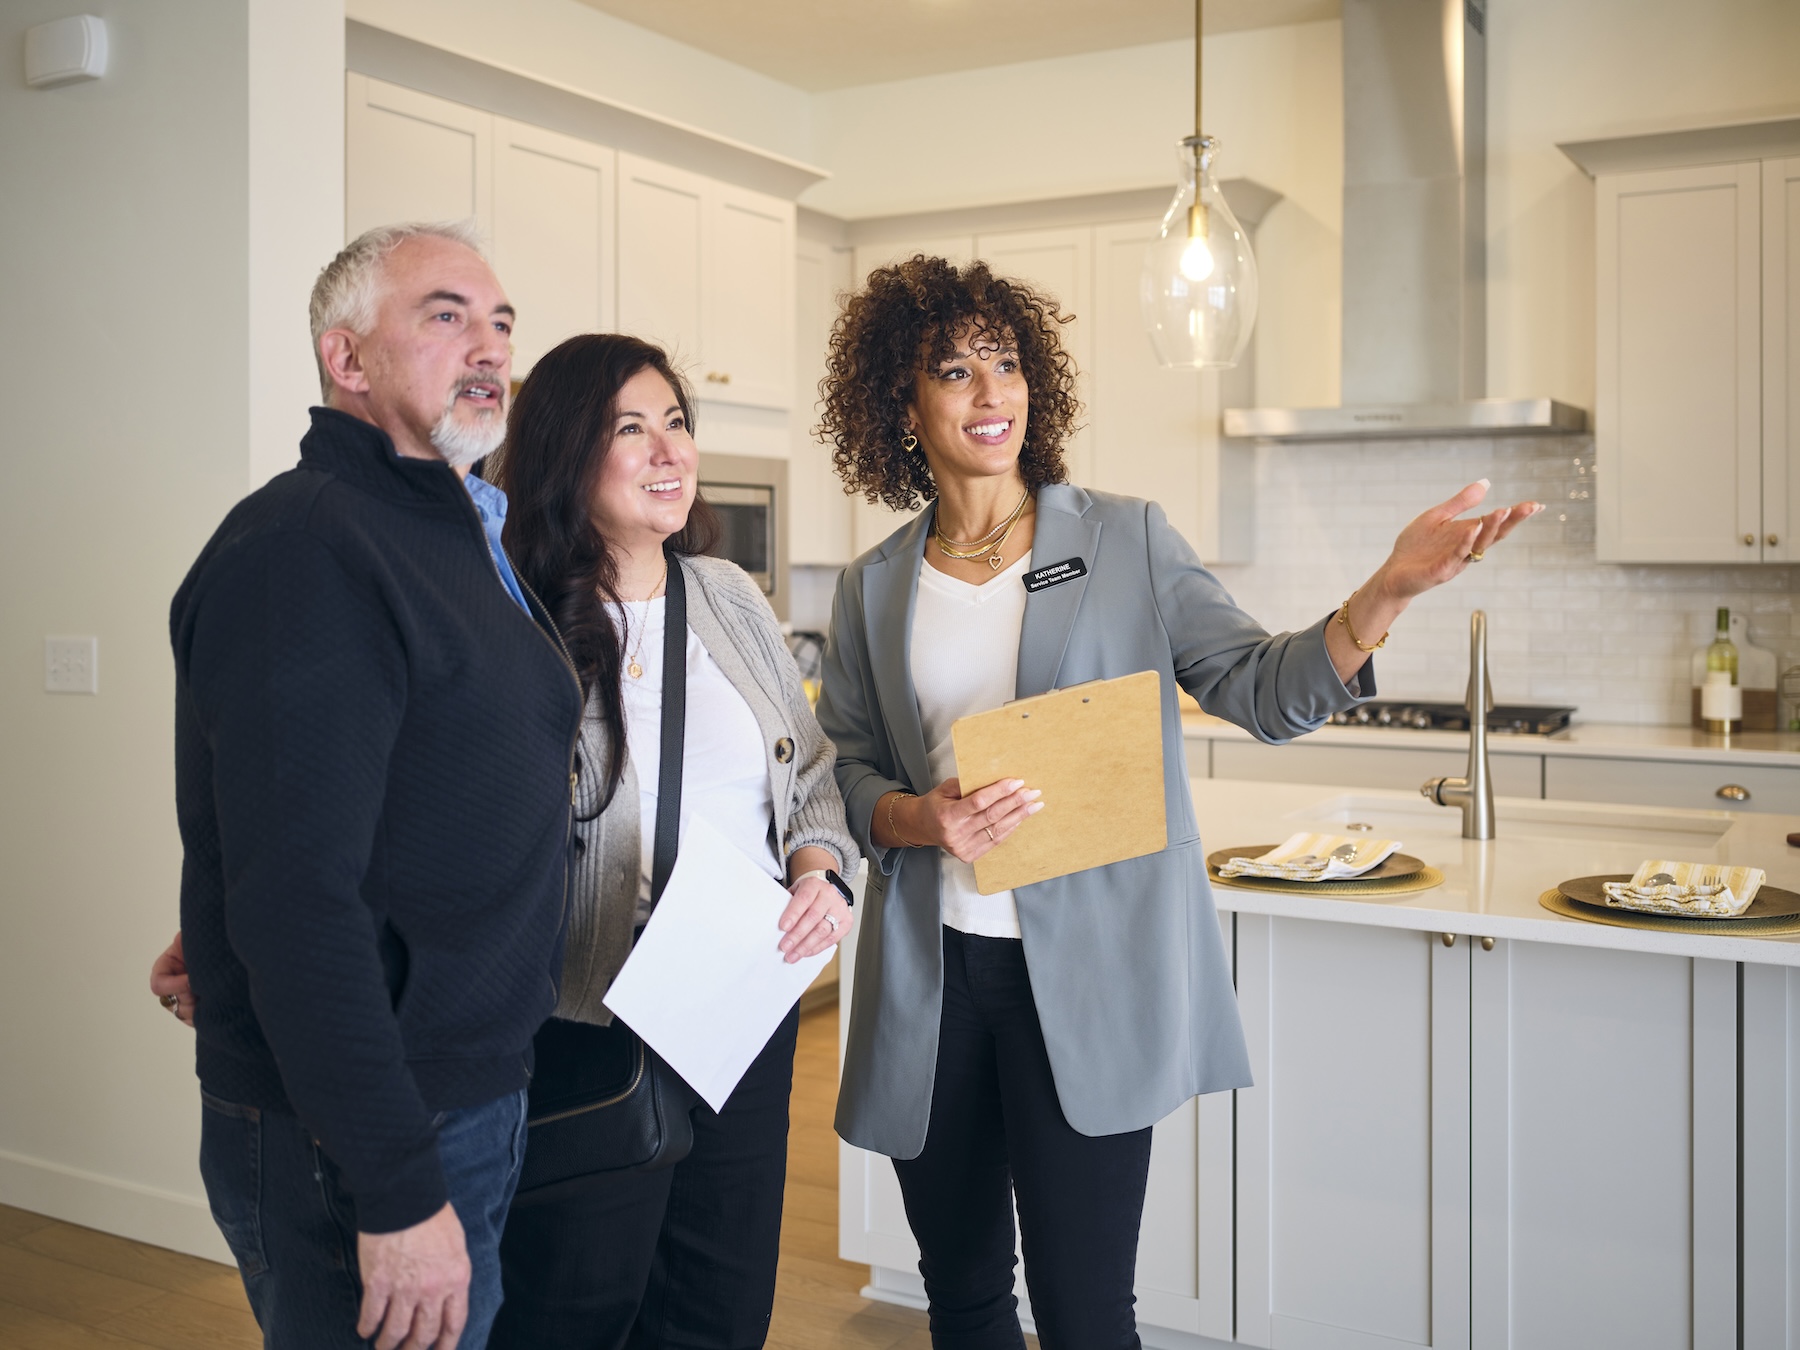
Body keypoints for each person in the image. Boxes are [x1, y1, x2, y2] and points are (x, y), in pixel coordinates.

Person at [813, 255, 1542, 1350]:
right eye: (954, 371)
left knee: (1085, 1308)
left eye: (1005, 364)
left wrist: (1385, 593)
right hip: (935, 977)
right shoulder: (875, 582)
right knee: (959, 1294)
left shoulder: (1124, 539)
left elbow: (1261, 689)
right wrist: (923, 818)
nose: (990, 393)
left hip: (1088, 978)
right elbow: (851, 768)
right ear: (900, 404)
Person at [163, 221, 584, 1350]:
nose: (489, 346)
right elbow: (297, 894)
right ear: (347, 361)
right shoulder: (306, 549)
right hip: (372, 1121)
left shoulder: (448, 531)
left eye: (501, 322)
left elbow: (371, 799)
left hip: (457, 1084)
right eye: (446, 315)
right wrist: (396, 1187)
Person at [486, 333, 858, 1350]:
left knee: (720, 1302)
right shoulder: (513, 619)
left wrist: (821, 870)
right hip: (587, 1016)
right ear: (568, 455)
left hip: (739, 1006)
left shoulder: (731, 597)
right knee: (574, 1304)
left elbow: (812, 780)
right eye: (631, 430)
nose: (669, 452)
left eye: (677, 424)